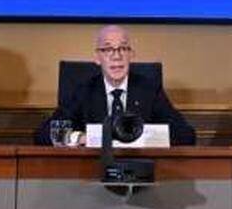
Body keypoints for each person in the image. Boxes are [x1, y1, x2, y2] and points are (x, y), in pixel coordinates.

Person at [35, 25, 195, 145]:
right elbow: (43, 135)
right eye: (107, 49)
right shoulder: (84, 91)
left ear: (131, 55)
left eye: (123, 48)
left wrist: (144, 135)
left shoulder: (149, 90)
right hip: (93, 170)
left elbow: (186, 135)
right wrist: (81, 138)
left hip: (140, 169)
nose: (116, 56)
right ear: (97, 58)